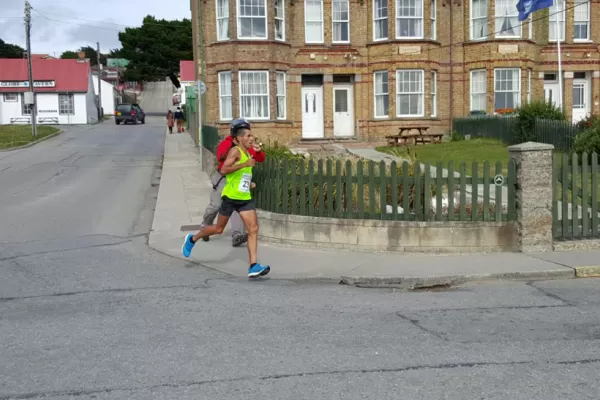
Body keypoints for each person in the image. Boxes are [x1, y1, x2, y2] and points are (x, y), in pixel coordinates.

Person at [182, 121, 270, 278]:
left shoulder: (249, 152)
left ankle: (253, 266)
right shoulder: (235, 152)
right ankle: (193, 238)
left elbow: (256, 162)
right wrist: (244, 164)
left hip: (244, 197)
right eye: (248, 136)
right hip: (230, 197)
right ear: (239, 139)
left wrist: (249, 182)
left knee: (253, 229)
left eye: (251, 135)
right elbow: (224, 169)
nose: (252, 138)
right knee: (218, 229)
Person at [200, 119, 266, 247]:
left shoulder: (248, 145)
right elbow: (220, 157)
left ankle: (236, 235)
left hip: (239, 180)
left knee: (237, 208)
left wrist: (258, 151)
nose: (248, 137)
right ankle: (205, 227)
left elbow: (260, 159)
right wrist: (235, 150)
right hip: (223, 178)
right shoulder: (227, 144)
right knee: (215, 206)